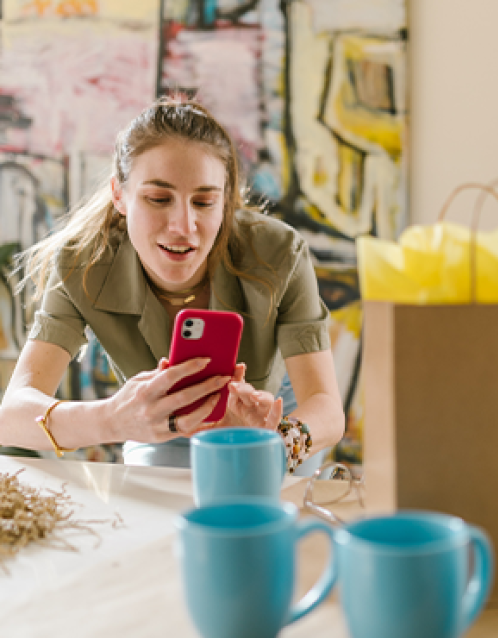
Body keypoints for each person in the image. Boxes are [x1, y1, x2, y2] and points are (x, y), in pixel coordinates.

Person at [0, 96, 345, 472]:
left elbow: (326, 408)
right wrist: (113, 419)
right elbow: (12, 416)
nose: (183, 227)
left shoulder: (279, 252)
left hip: (271, 416)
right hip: (154, 422)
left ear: (226, 201)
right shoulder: (81, 263)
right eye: (159, 199)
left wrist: (274, 441)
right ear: (119, 195)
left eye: (204, 202)